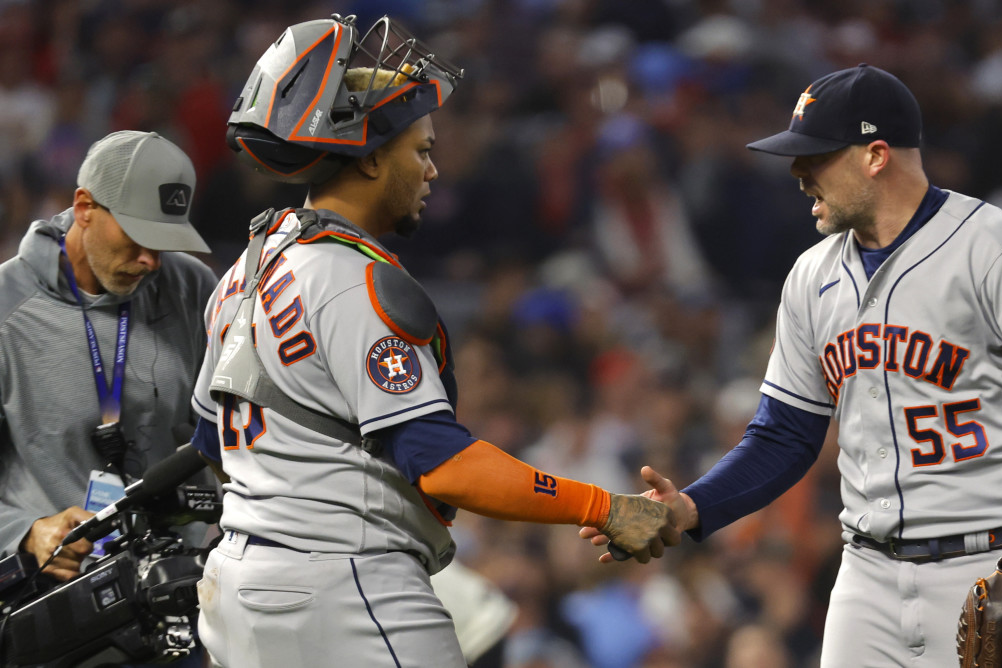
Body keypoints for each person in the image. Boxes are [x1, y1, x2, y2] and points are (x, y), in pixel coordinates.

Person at [584, 63, 1002, 666]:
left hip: (994, 568)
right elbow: (785, 435)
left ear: (875, 155)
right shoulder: (811, 276)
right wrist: (689, 507)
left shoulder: (998, 248)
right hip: (866, 578)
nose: (798, 174)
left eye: (815, 156)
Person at [190, 15, 677, 668]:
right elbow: (440, 461)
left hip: (237, 590)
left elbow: (206, 446)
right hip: (344, 584)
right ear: (368, 156)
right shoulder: (351, 278)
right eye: (420, 150)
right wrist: (604, 506)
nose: (432, 169)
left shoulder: (245, 270)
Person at [0, 129, 216, 582]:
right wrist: (24, 531)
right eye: (137, 236)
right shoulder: (7, 310)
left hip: (186, 583)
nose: (151, 260)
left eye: (163, 240)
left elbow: (232, 436)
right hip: (62, 600)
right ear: (84, 208)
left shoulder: (191, 289)